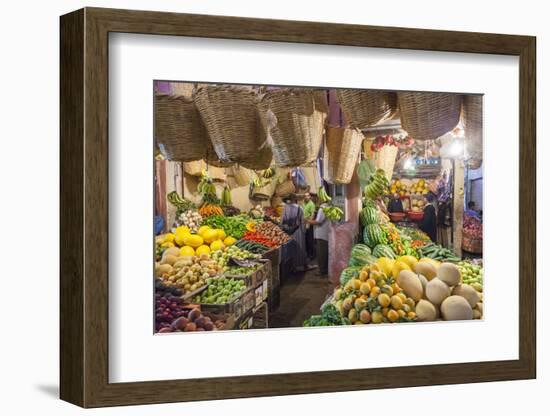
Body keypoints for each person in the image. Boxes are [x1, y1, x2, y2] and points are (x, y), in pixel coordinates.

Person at [281, 194, 310, 273]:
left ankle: (293, 267)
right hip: (298, 231)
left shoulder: (285, 208)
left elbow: (282, 221)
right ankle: (302, 266)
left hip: (289, 232)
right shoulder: (299, 208)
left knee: (292, 249)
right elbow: (302, 221)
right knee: (300, 248)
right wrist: (304, 231)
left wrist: (284, 229)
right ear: (295, 199)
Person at [307, 202, 330, 278]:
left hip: (321, 235)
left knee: (321, 253)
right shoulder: (328, 206)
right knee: (324, 253)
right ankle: (324, 269)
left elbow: (318, 221)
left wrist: (306, 221)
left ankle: (322, 271)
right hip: (325, 234)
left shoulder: (323, 208)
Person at [302, 192, 316, 260]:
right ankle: (307, 254)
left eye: (307, 196)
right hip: (304, 223)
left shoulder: (311, 204)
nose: (306, 197)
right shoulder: (303, 203)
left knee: (310, 240)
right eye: (305, 196)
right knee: (305, 240)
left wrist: (309, 224)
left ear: (310, 197)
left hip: (308, 224)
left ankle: (311, 255)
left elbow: (312, 215)